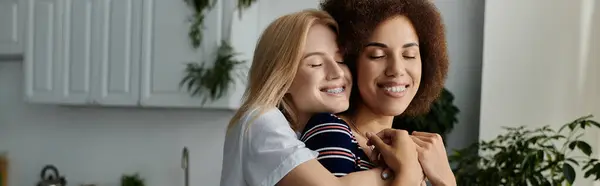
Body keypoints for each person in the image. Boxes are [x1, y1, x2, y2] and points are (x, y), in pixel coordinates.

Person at [219, 9, 423, 186]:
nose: (337, 72)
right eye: (315, 63)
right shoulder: (261, 119)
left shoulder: (305, 133)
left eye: (341, 60)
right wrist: (408, 171)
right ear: (282, 78)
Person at [300, 0, 455, 185]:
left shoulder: (406, 149)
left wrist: (446, 180)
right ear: (349, 61)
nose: (397, 69)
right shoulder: (330, 132)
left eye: (409, 55)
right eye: (377, 55)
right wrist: (408, 174)